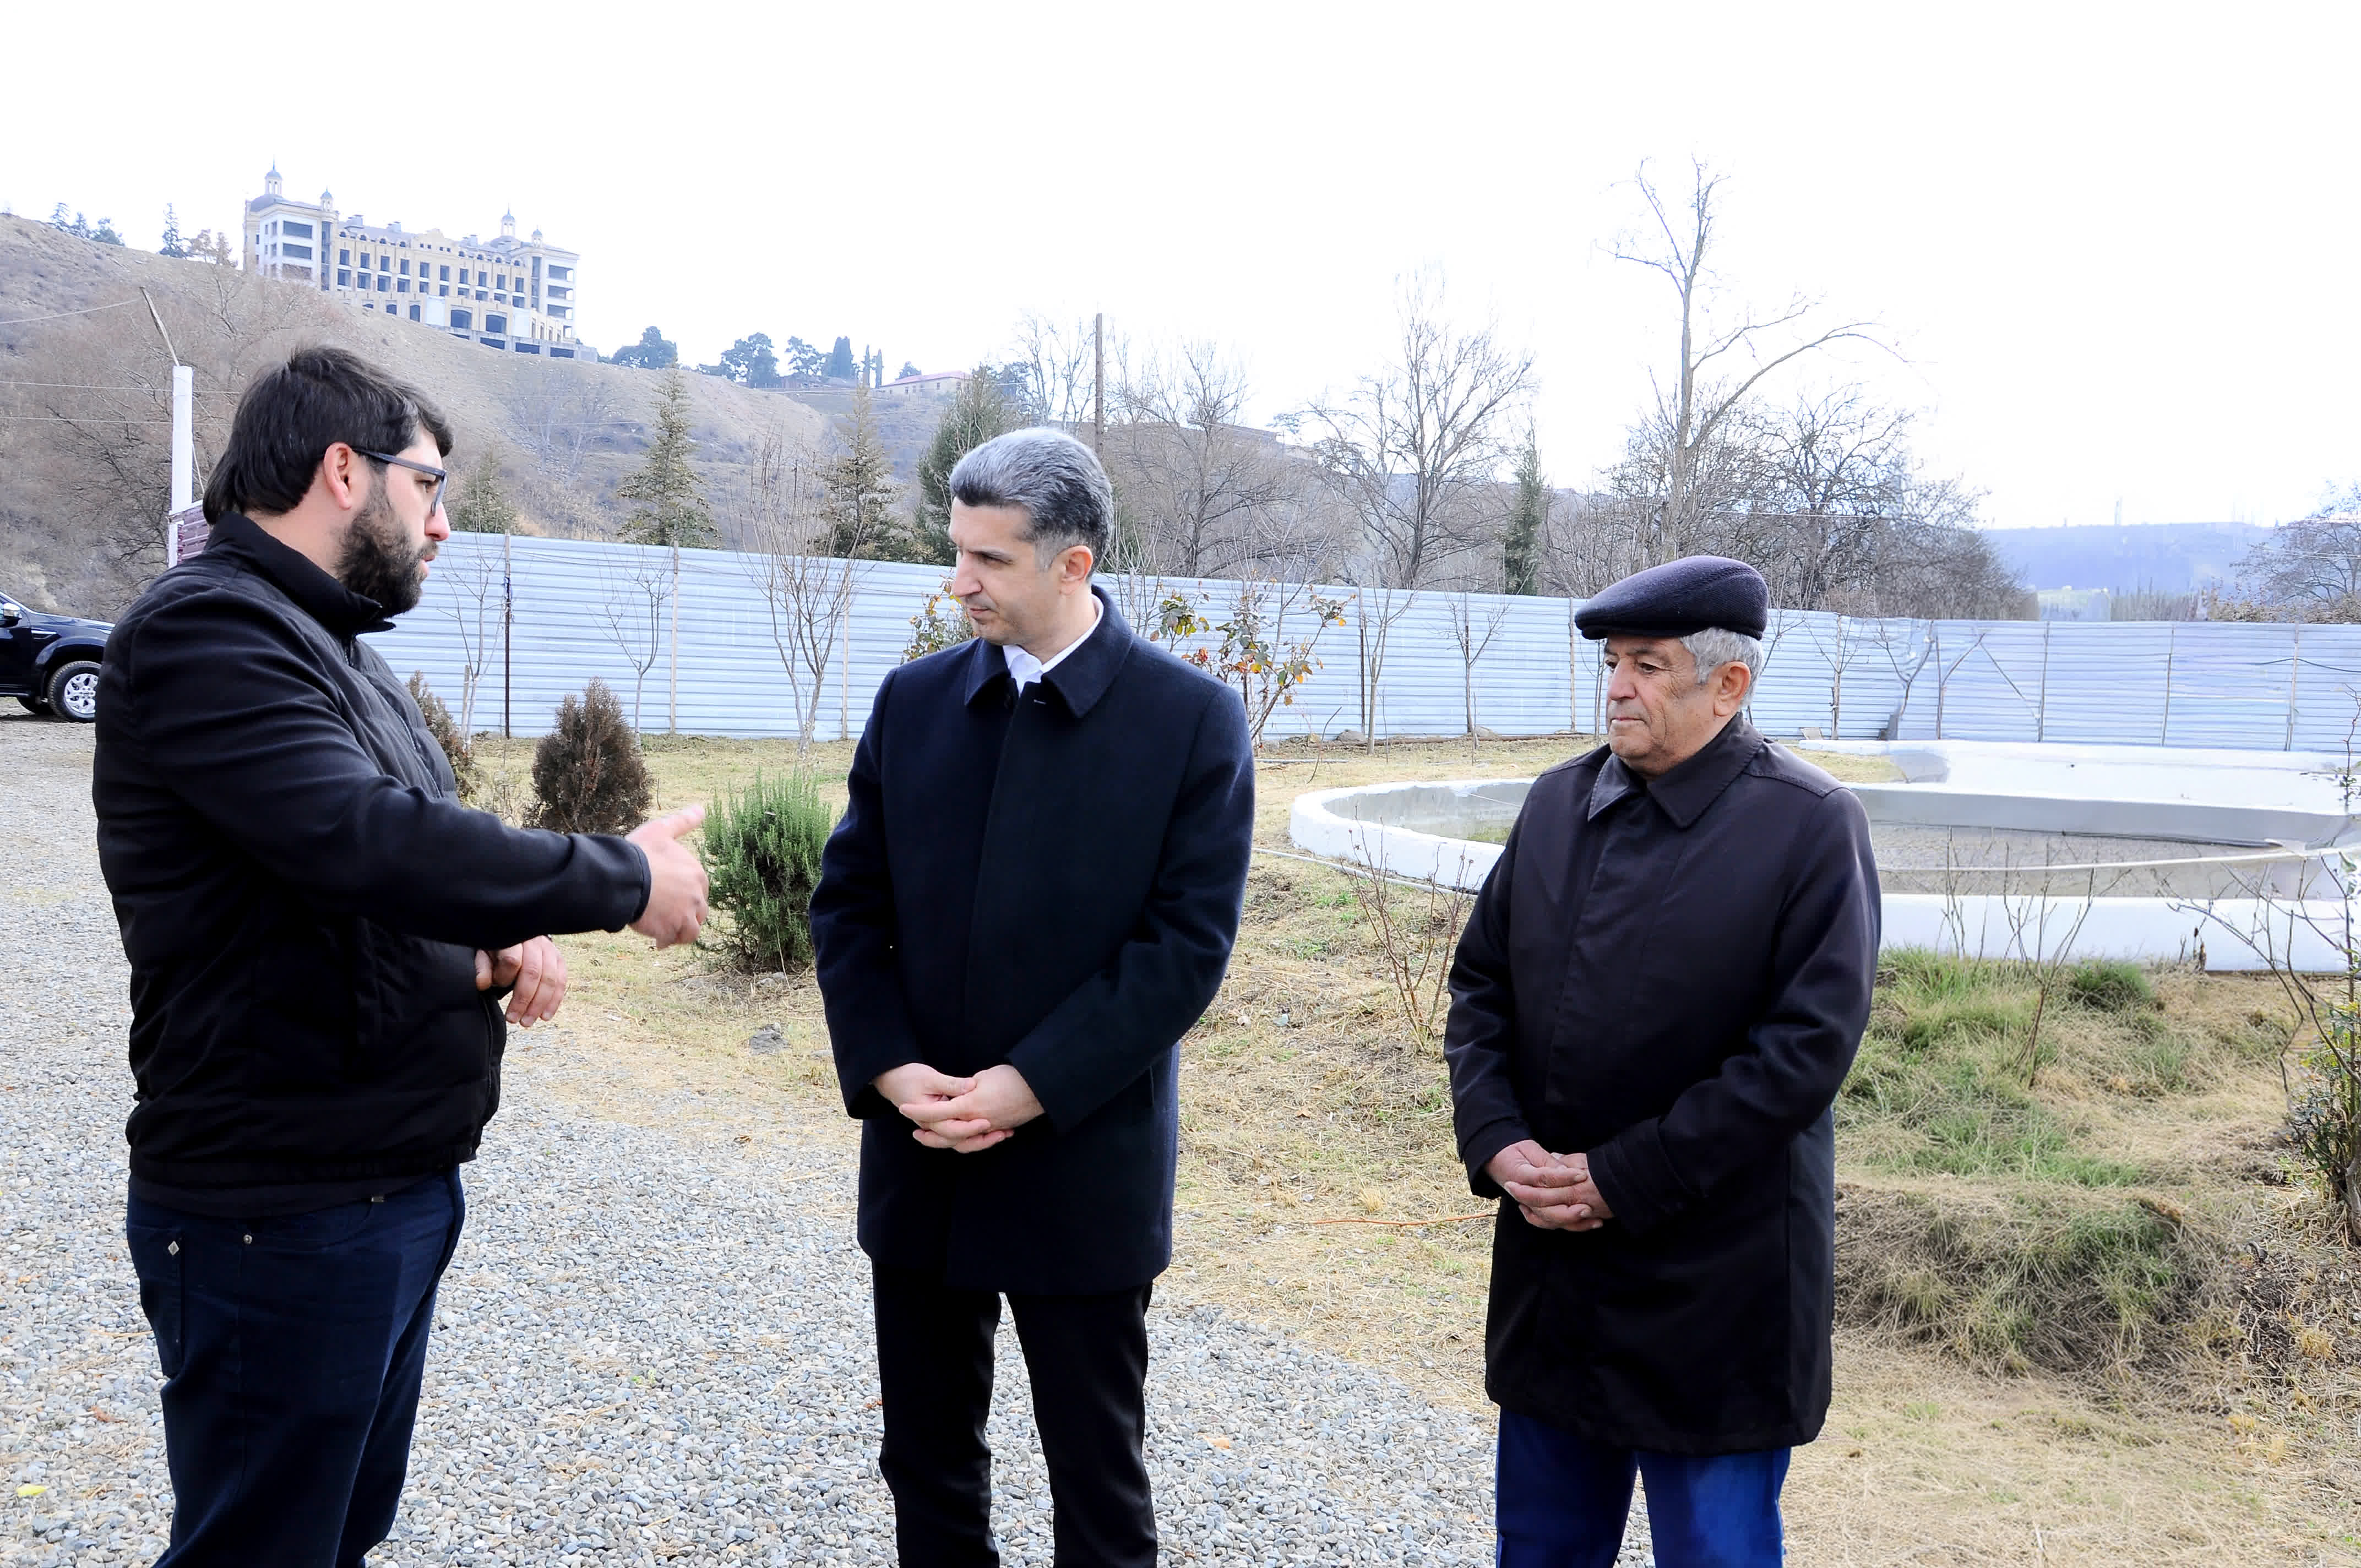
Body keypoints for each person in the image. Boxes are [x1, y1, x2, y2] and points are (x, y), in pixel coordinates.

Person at [93, 345, 711, 1567]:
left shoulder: (334, 647)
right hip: (278, 1205)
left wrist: (488, 937)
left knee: (334, 1537)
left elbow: (361, 883)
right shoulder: (208, 633)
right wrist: (621, 877)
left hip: (379, 1185)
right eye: (427, 486)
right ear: (344, 470)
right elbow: (360, 840)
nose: (441, 524)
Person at [810, 427, 1254, 1567]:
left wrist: (1029, 1084)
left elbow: (1183, 950)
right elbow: (848, 907)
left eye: (989, 560)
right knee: (925, 1462)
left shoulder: (1189, 721)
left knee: (1096, 1483)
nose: (958, 582)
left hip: (1081, 1164)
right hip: (921, 1153)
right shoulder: (913, 702)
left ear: (1073, 563)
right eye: (955, 551)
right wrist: (888, 1066)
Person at [1441, 555, 1880, 1567]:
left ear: (1730, 685)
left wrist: (1623, 1178)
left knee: (1714, 1552)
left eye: (1648, 666)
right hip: (1557, 1269)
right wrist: (1497, 1138)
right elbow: (1481, 989)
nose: (1618, 689)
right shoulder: (1557, 805)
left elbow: (1803, 1054)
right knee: (1543, 1548)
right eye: (1612, 665)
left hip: (1718, 1288)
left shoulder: (1809, 826)